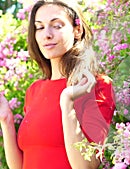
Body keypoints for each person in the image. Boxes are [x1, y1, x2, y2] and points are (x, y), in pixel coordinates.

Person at [0, 0, 115, 169]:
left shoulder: (97, 86)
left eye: (57, 25)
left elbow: (86, 166)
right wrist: (6, 120)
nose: (47, 34)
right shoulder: (34, 90)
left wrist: (67, 101)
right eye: (40, 27)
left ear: (77, 30)